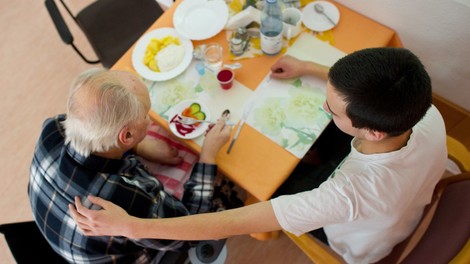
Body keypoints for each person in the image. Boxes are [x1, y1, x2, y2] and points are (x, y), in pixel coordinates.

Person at [69, 48, 447, 263]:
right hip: (415, 189)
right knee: (315, 149)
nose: (326, 109)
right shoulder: (423, 110)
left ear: (372, 130)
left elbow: (236, 221)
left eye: (332, 109)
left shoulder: (346, 195)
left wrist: (130, 227)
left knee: (276, 182)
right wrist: (309, 68)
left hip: (363, 244)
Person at [28, 68, 232, 263]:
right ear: (126, 136)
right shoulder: (125, 199)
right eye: (146, 115)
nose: (150, 119)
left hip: (63, 234)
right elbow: (191, 229)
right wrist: (208, 154)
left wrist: (140, 147)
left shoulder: (53, 128)